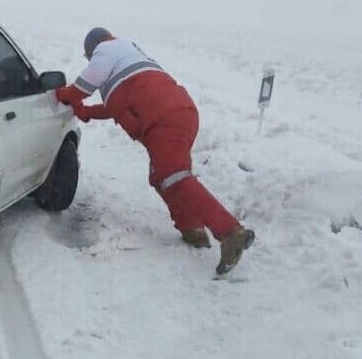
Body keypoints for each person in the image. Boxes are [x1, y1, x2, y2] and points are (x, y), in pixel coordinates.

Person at [55, 27, 255, 275]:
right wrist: (86, 112)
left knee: (175, 177)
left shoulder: (106, 50)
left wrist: (59, 95)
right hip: (177, 114)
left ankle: (230, 232)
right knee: (163, 178)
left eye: (88, 57)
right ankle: (192, 230)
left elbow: (81, 88)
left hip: (163, 120)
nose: (90, 60)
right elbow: (119, 105)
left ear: (92, 48)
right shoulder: (128, 57)